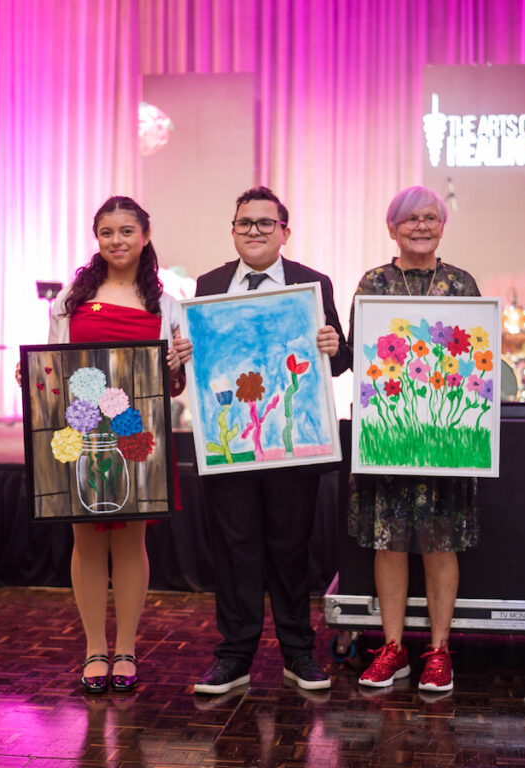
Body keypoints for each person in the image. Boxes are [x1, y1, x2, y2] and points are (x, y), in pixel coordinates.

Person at [172, 186, 352, 694]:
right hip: (230, 443)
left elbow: (337, 361)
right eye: (245, 223)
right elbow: (197, 364)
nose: (254, 230)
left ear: (284, 232)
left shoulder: (312, 284)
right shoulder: (206, 285)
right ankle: (234, 656)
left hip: (293, 442)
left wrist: (333, 344)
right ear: (232, 231)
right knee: (234, 551)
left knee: (289, 550)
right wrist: (184, 351)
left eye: (265, 223)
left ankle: (298, 653)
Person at [47, 196, 186, 694]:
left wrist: (176, 365)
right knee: (86, 542)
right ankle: (92, 650)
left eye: (127, 231)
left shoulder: (166, 304)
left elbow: (175, 389)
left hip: (137, 436)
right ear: (97, 238)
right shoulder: (70, 300)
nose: (117, 241)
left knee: (131, 541)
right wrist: (33, 377)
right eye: (107, 232)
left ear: (144, 236)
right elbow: (54, 371)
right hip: (82, 432)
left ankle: (125, 648)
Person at [348, 186, 480, 693]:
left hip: (446, 439)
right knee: (390, 543)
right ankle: (393, 648)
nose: (421, 226)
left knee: (440, 543)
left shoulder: (463, 283)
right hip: (389, 435)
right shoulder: (373, 282)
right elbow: (363, 361)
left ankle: (439, 651)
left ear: (442, 226)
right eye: (410, 219)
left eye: (430, 218)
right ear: (392, 228)